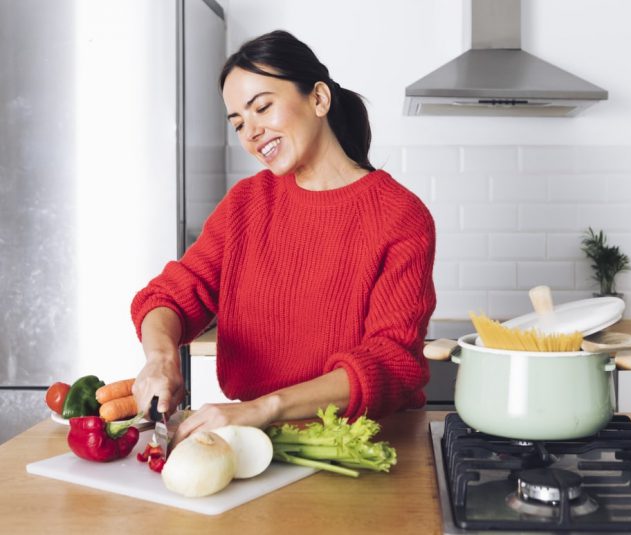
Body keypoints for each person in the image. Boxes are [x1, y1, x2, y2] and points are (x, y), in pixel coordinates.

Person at [130, 30, 436, 446]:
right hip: (259, 443)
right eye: (239, 123)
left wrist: (264, 407)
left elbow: (392, 361)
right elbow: (170, 295)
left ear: (319, 99)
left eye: (262, 107)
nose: (251, 132)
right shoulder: (246, 204)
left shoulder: (399, 215)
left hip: (362, 446)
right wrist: (160, 357)